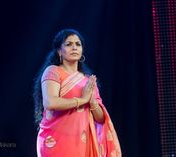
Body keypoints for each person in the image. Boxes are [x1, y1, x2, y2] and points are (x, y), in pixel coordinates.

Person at [33, 28, 121, 157]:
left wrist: (92, 102)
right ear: (59, 52)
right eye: (68, 44)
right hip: (55, 141)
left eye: (78, 44)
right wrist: (82, 100)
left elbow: (101, 118)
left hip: (82, 143)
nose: (74, 47)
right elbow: (50, 102)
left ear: (82, 51)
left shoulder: (87, 80)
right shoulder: (53, 71)